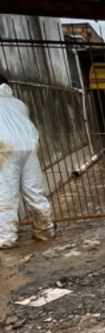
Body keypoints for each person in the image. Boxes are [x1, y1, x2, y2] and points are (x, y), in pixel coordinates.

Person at [0, 73, 55, 248]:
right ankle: (45, 230)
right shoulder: (19, 103)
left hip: (4, 148)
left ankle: (6, 238)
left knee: (5, 194)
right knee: (34, 191)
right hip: (29, 147)